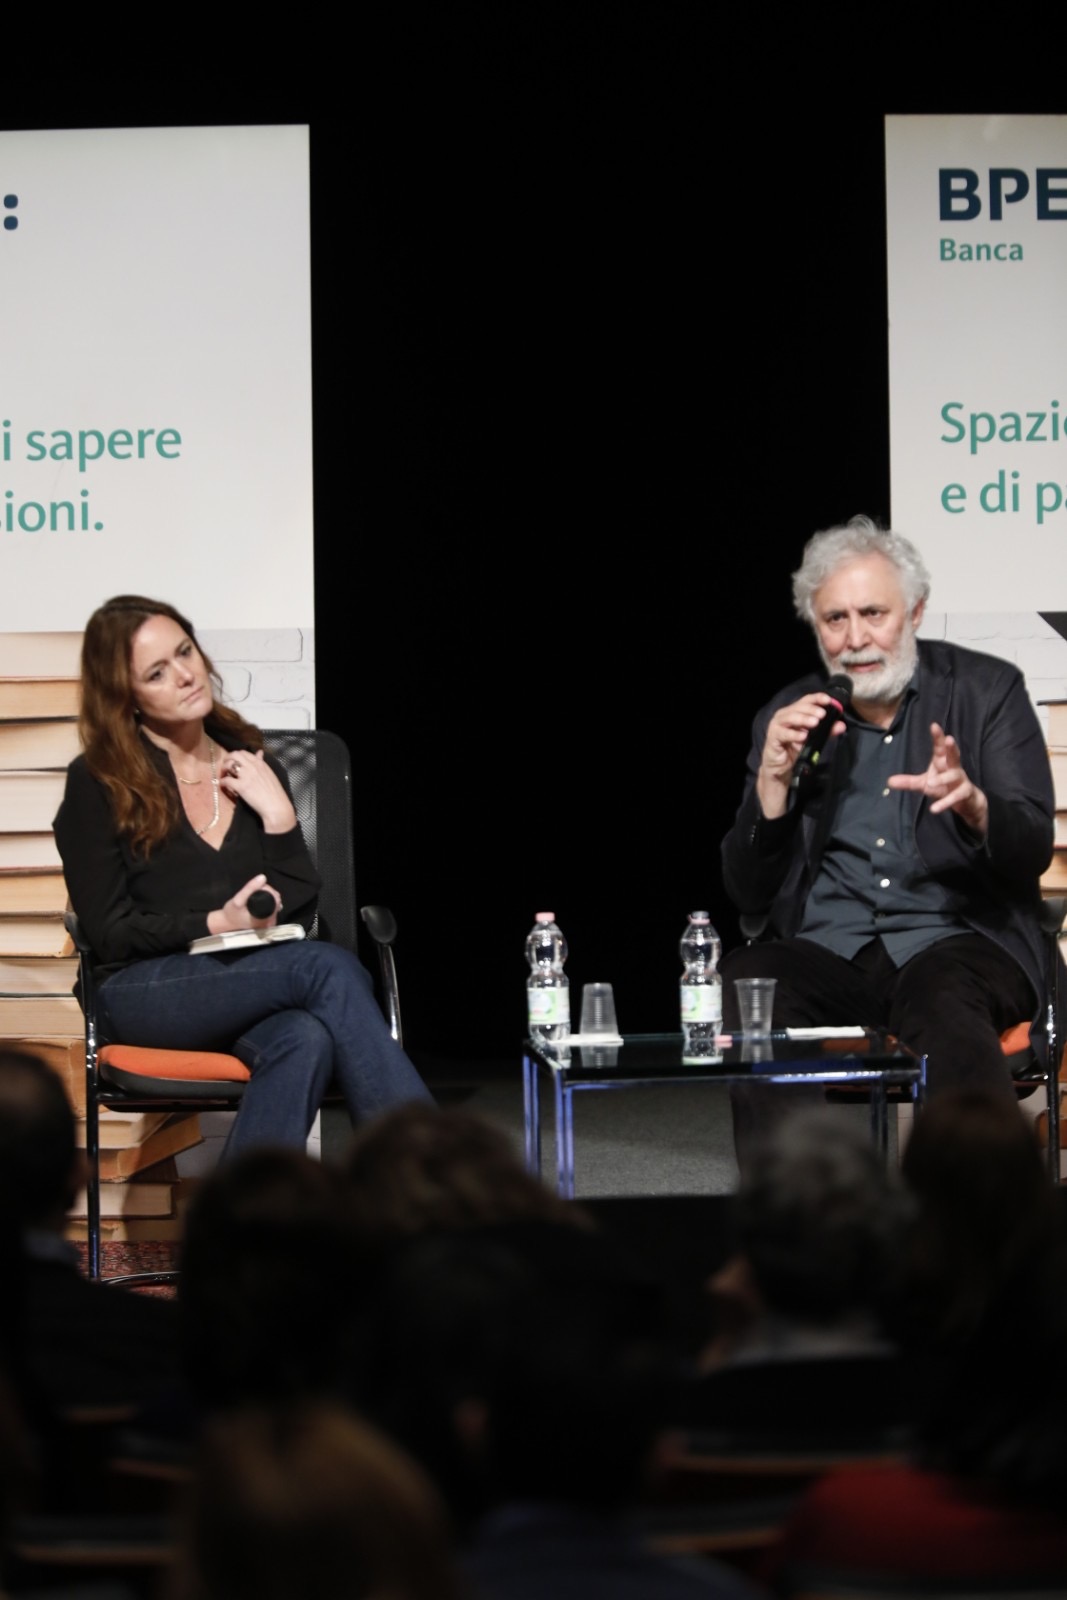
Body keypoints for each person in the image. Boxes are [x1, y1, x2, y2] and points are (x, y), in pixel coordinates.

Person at [53, 595, 432, 1158]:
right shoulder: (98, 782)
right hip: (138, 991)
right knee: (324, 967)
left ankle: (241, 1217)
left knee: (304, 1038)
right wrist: (215, 922)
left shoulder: (251, 766)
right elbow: (109, 932)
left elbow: (298, 912)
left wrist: (279, 817)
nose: (185, 674)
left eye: (185, 651)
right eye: (157, 673)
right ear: (126, 697)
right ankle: (437, 1175)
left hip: (245, 983)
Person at [720, 515, 1054, 1152]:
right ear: (815, 626)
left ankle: (973, 1204)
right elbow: (747, 892)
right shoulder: (790, 717)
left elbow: (1033, 846)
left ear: (915, 611)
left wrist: (976, 806)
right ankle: (796, 1200)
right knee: (748, 981)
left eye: (873, 613)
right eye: (835, 619)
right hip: (833, 951)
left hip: (960, 939)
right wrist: (772, 786)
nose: (855, 638)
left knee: (944, 996)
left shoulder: (987, 691)